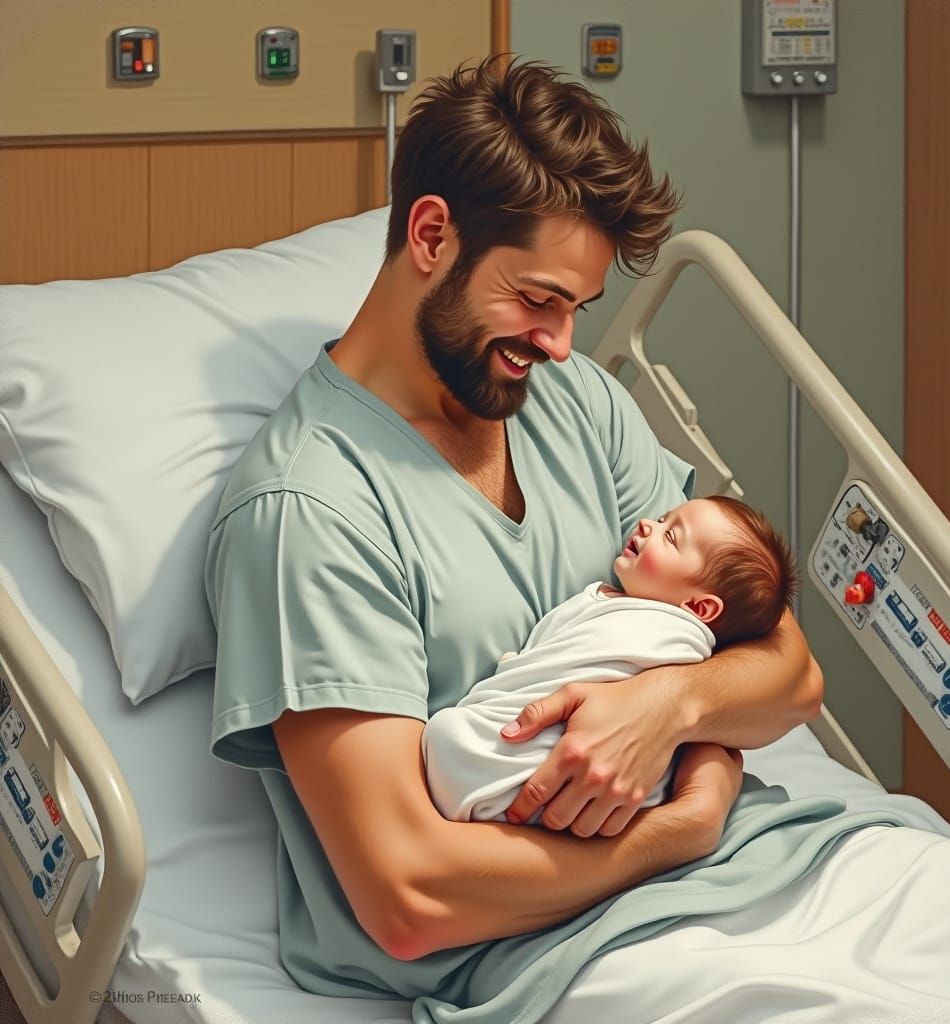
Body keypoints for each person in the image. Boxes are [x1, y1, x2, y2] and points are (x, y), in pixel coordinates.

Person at [205, 56, 824, 999]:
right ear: (430, 235)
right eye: (538, 300)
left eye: (578, 309)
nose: (562, 344)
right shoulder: (312, 511)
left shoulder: (574, 403)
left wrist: (668, 711)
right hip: (565, 957)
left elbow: (792, 675)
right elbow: (407, 895)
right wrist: (681, 824)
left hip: (764, 870)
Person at [424, 495, 799, 825]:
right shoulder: (608, 603)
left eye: (669, 536)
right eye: (664, 517)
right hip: (564, 761)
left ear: (699, 607)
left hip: (575, 774)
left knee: (448, 738)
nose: (648, 525)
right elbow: (548, 660)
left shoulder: (676, 641)